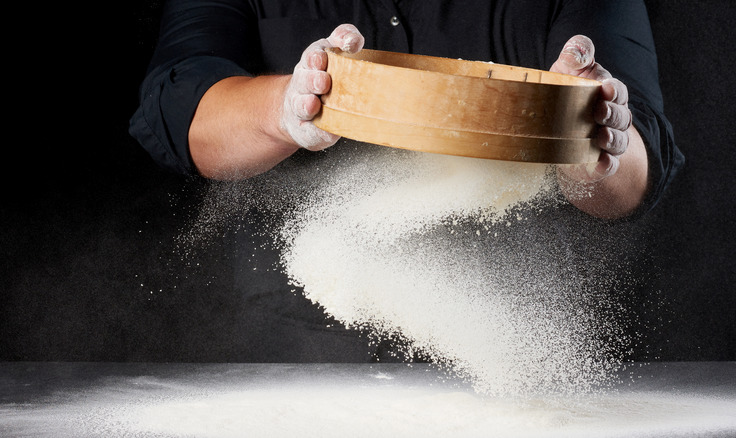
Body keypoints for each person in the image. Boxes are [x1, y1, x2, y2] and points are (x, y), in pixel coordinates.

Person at [130, 0, 684, 361]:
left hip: (521, 355)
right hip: (296, 354)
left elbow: (639, 163)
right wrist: (286, 108)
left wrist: (588, 142)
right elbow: (179, 110)